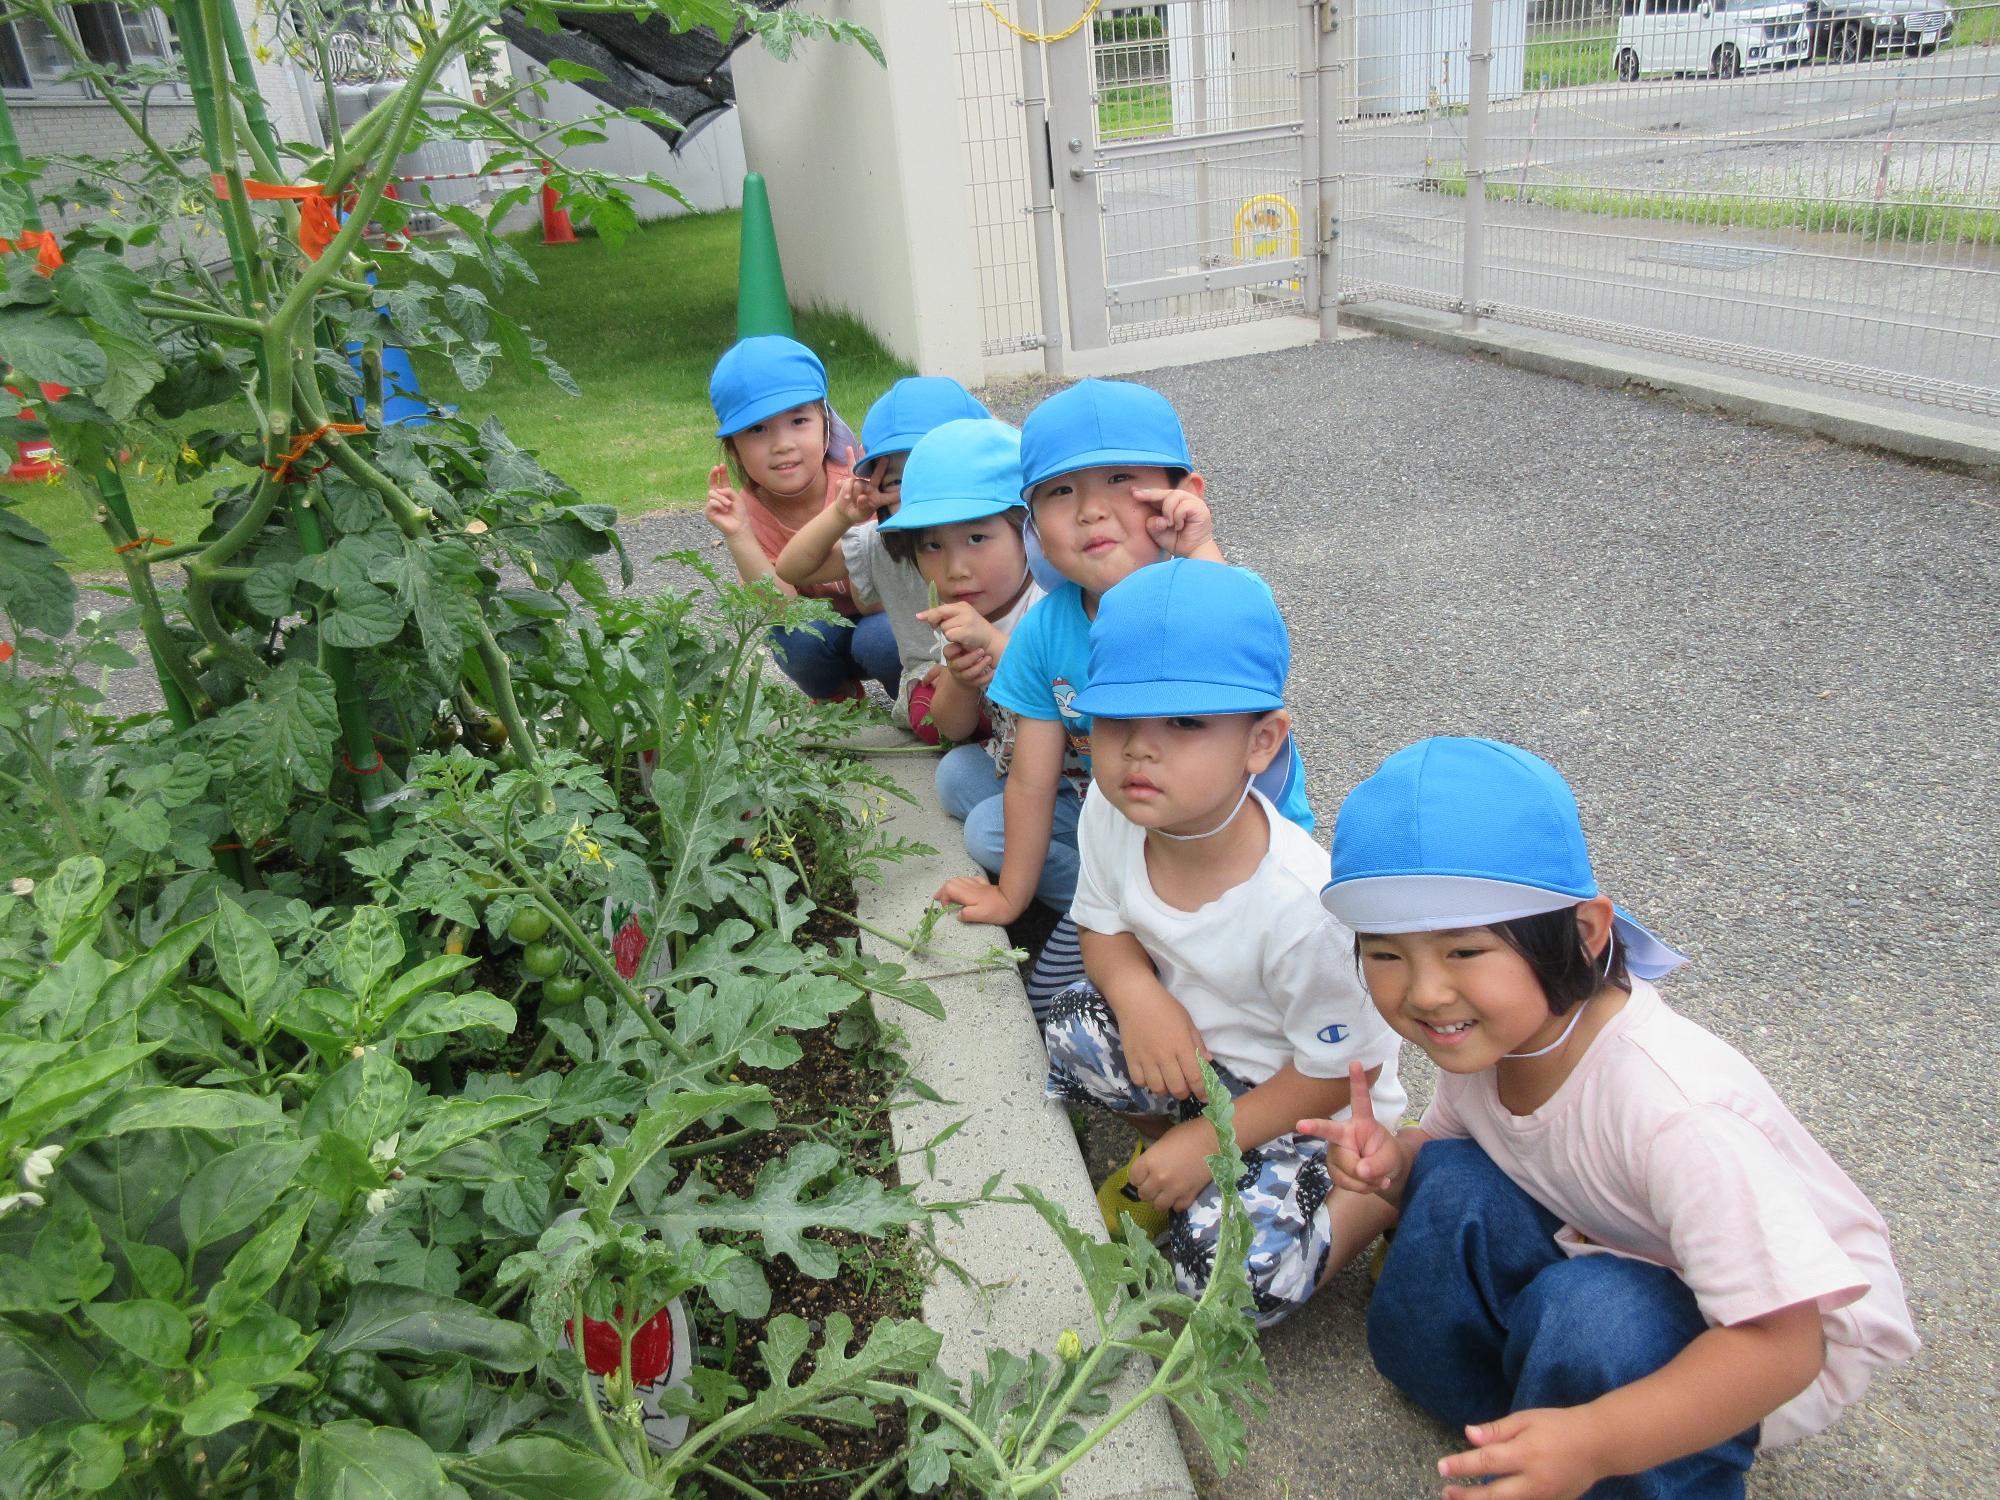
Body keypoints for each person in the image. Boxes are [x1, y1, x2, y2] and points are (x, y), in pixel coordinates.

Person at [1308, 737, 1919, 1500]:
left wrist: (1599, 1440)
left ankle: (1636, 1459)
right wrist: (1393, 1163)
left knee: (1593, 1317)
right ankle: (1504, 1426)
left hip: (1763, 1329)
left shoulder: (1677, 1115)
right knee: (1449, 1177)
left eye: (1464, 950)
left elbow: (1785, 1345)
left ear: (1586, 933)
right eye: (1388, 955)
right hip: (1619, 1240)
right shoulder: (1497, 1036)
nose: (1426, 993)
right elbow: (1452, 1146)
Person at [1040, 559, 1405, 1326]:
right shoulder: (1112, 815)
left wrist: (1213, 1137)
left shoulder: (1305, 907)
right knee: (1074, 1029)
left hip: (1308, 1103)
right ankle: (1192, 1160)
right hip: (1202, 1054)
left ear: (1261, 742)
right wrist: (1139, 999)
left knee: (1225, 1291)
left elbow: (1347, 1071)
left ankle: (1376, 1200)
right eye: (1116, 722)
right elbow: (1100, 926)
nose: (1140, 750)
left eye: (1184, 723)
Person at [774, 377, 991, 738]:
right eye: (897, 480)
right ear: (873, 485)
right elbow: (793, 568)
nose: (918, 491)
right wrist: (841, 515)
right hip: (933, 679)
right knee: (930, 713)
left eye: (932, 471)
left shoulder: (1003, 534)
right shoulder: (883, 544)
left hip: (1005, 662)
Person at [701, 335, 896, 702]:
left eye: (798, 420)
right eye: (757, 429)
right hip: (824, 639)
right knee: (793, 638)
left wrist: (852, 521)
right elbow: (782, 611)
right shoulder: (748, 511)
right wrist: (739, 535)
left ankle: (915, 697)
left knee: (882, 638)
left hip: (883, 618)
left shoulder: (863, 481)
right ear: (734, 449)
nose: (782, 444)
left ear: (826, 423)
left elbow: (887, 596)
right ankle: (836, 695)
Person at [871, 418, 1043, 744]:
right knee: (955, 774)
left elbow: (1068, 697)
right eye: (932, 546)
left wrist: (991, 643)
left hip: (1085, 764)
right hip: (1018, 755)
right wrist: (960, 682)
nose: (955, 569)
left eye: (976, 538)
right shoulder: (958, 611)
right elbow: (951, 729)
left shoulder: (1052, 599)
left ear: (1028, 531)